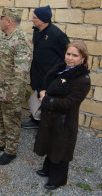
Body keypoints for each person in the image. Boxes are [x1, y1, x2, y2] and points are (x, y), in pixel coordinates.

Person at [34, 41, 91, 190]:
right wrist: (42, 91)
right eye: (68, 54)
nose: (70, 58)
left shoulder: (82, 79)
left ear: (83, 58)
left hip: (64, 121)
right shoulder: (61, 69)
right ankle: (47, 168)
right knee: (50, 143)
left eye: (75, 55)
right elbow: (49, 84)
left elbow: (70, 103)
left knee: (61, 148)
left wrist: (47, 100)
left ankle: (58, 179)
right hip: (51, 117)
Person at [0, 8, 32, 165]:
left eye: (1, 18)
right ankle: (0, 143)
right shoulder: (7, 37)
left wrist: (11, 93)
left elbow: (21, 72)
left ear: (9, 21)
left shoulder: (21, 40)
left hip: (9, 92)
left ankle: (10, 151)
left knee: (11, 121)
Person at [22, 5, 70, 129]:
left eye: (35, 17)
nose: (32, 19)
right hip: (38, 71)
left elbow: (67, 56)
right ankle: (36, 120)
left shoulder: (57, 35)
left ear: (44, 20)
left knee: (47, 99)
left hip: (50, 75)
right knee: (38, 94)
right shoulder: (37, 31)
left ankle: (46, 127)